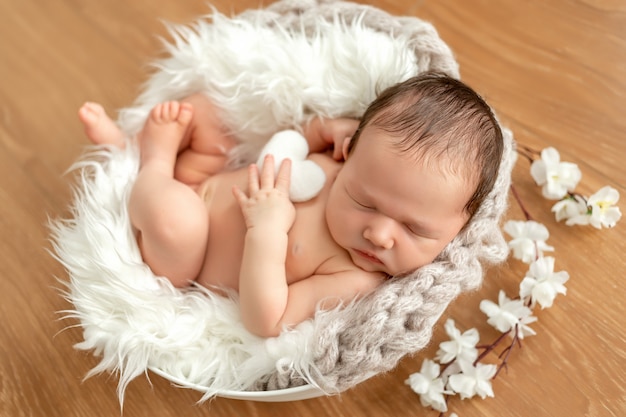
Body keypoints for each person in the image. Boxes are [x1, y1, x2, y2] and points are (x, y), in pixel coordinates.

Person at [78, 72, 504, 338]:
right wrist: (322, 128)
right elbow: (291, 142)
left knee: (178, 223)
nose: (379, 233)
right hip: (205, 180)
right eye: (362, 201)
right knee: (207, 111)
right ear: (351, 152)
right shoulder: (355, 159)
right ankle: (125, 150)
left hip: (183, 257)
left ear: (458, 230)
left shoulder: (354, 275)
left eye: (415, 229)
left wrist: (267, 231)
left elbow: (267, 319)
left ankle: (152, 160)